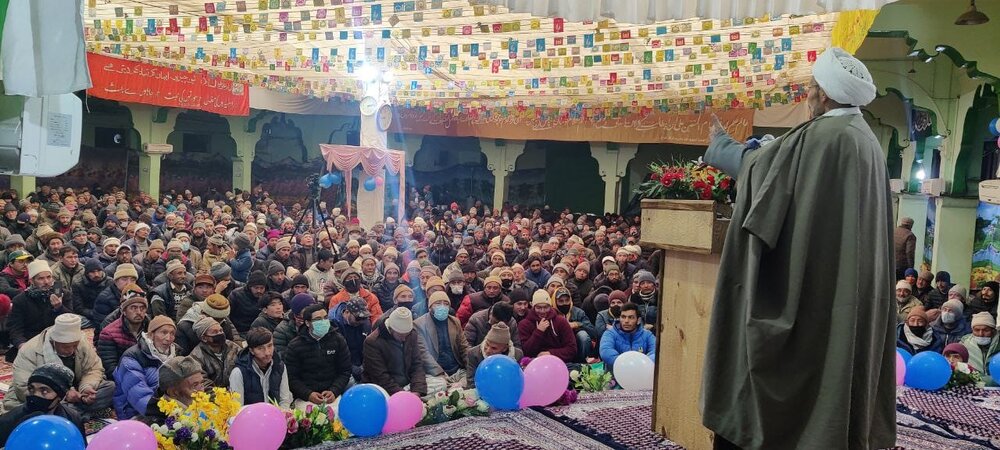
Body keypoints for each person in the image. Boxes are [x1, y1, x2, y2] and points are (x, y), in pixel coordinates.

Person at [701, 47, 894, 449]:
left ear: (822, 95)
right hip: (842, 291)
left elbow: (761, 175)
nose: (807, 97)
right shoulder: (867, 142)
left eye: (809, 88)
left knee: (780, 380)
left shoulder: (822, 137)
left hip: (809, 292)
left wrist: (720, 147)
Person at [5, 314, 114, 417]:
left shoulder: (81, 343)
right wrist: (64, 395)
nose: (71, 350)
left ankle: (69, 413)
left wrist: (86, 387)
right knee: (30, 408)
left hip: (76, 392)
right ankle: (74, 413)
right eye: (66, 347)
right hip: (46, 398)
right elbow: (23, 387)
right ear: (54, 342)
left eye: (74, 346)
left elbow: (93, 369)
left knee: (110, 387)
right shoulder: (29, 351)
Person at [284, 304, 352, 409]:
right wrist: (308, 394)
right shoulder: (295, 346)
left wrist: (334, 390)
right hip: (305, 398)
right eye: (318, 319)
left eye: (325, 318)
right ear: (307, 323)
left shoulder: (338, 340)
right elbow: (291, 378)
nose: (323, 322)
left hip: (332, 395)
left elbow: (345, 371)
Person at [0, 363, 86, 444]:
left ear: (60, 396)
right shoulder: (12, 418)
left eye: (44, 391)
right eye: (31, 389)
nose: (36, 395)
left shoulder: (72, 418)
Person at [113, 316, 179, 419]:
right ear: (151, 334)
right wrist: (173, 411)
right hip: (137, 411)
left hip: (167, 406)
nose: (168, 338)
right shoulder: (131, 358)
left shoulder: (176, 353)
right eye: (164, 332)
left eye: (172, 333)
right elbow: (140, 398)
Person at [7, 260, 74, 356]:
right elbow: (15, 328)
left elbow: (71, 320)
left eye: (48, 277)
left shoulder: (62, 293)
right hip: (32, 340)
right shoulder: (20, 300)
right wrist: (21, 344)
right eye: (41, 278)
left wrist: (59, 308)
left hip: (58, 338)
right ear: (32, 281)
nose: (46, 282)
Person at [362, 307, 427, 397]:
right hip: (384, 389)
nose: (404, 339)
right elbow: (381, 377)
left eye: (406, 335)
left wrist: (417, 390)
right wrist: (403, 395)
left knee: (439, 384)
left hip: (408, 384)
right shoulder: (372, 342)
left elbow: (417, 364)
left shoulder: (411, 334)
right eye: (401, 335)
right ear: (391, 329)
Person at [414, 291, 469, 393]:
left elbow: (464, 347)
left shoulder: (454, 321)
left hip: (457, 370)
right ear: (430, 307)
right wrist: (440, 374)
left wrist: (471, 367)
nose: (442, 306)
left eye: (446, 304)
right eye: (438, 303)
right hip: (435, 374)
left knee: (472, 379)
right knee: (440, 386)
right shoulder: (419, 324)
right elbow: (424, 354)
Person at [229, 327, 293, 409]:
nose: (267, 352)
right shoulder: (238, 373)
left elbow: (284, 400)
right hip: (250, 418)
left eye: (270, 346)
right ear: (252, 351)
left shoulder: (280, 366)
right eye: (260, 348)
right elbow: (237, 407)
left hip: (275, 415)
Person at [96, 288, 149, 377]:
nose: (139, 312)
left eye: (142, 308)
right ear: (124, 311)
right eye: (133, 308)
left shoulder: (151, 328)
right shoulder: (109, 333)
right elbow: (110, 367)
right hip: (123, 375)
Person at [517, 289, 576, 362]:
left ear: (550, 306)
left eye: (546, 307)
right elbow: (526, 351)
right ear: (533, 307)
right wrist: (538, 332)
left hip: (558, 362)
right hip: (534, 363)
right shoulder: (524, 324)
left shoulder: (561, 322)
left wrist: (550, 353)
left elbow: (572, 349)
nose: (542, 311)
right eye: (538, 308)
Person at [175, 293, 241, 355]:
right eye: (215, 319)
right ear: (203, 313)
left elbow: (231, 344)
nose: (217, 323)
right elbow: (182, 355)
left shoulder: (224, 322)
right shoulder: (184, 327)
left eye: (221, 319)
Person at [144, 356, 204, 422]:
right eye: (194, 386)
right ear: (173, 392)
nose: (202, 390)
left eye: (201, 383)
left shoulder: (203, 407)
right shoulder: (161, 425)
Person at [599, 303, 656, 372]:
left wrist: (641, 364)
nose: (626, 321)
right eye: (623, 317)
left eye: (631, 317)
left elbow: (656, 352)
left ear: (638, 320)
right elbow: (606, 351)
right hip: (615, 378)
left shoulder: (647, 335)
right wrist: (626, 364)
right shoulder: (610, 334)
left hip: (641, 375)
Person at [465, 322, 522, 389]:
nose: (488, 350)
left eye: (494, 348)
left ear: (504, 349)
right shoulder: (474, 354)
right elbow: (471, 383)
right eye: (487, 344)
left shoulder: (517, 355)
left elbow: (517, 383)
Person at [187, 317, 241, 388]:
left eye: (221, 330)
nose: (220, 334)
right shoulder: (196, 356)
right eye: (215, 332)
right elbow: (202, 382)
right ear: (204, 338)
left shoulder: (233, 347)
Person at [331, 296, 372, 382]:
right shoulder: (334, 325)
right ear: (347, 312)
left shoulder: (365, 323)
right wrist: (352, 368)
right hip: (342, 367)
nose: (361, 321)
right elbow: (336, 355)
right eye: (358, 318)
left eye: (364, 318)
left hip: (361, 362)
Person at [553, 287, 598, 362]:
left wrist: (577, 324)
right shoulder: (552, 314)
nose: (564, 303)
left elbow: (593, 332)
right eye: (561, 301)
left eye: (567, 300)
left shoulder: (578, 312)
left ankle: (583, 363)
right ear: (555, 301)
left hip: (578, 346)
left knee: (583, 335)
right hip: (559, 345)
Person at [71, 259, 111, 328]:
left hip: (106, 315)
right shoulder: (77, 284)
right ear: (87, 273)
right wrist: (95, 314)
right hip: (87, 316)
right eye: (92, 272)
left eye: (99, 271)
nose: (96, 274)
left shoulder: (110, 282)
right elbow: (79, 308)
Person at [229, 270, 267, 334]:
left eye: (262, 288)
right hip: (240, 331)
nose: (259, 291)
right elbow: (227, 316)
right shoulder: (236, 295)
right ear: (250, 286)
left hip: (260, 331)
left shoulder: (267, 296)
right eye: (256, 288)